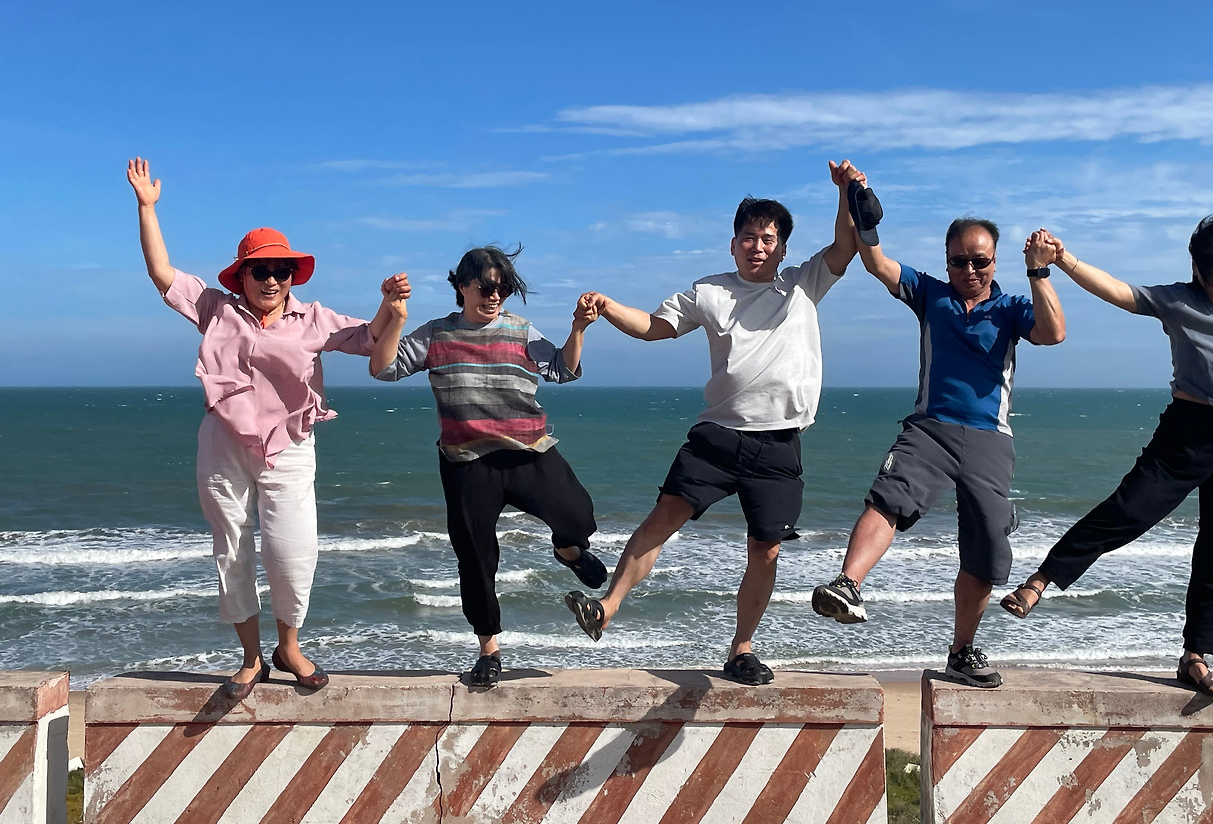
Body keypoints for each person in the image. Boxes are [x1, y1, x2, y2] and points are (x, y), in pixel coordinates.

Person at [564, 160, 867, 685]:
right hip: (718, 436)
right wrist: (609, 307)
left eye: (768, 239)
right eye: (748, 237)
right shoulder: (710, 292)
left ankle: (741, 648)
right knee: (663, 517)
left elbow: (846, 245)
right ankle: (607, 607)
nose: (757, 246)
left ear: (783, 248)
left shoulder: (803, 284)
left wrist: (845, 193)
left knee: (766, 549)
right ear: (732, 244)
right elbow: (655, 327)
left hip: (779, 444)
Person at [129, 157, 410, 700]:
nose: (273, 279)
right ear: (242, 275)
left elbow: (370, 338)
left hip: (291, 444)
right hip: (223, 443)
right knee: (231, 547)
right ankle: (251, 658)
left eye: (282, 270)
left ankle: (290, 647)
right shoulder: (216, 308)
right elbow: (161, 272)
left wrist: (388, 306)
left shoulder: (315, 318)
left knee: (291, 550)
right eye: (261, 271)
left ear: (292, 276)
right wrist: (147, 208)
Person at [1001, 218, 1213, 697]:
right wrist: (1060, 260)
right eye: (1211, 257)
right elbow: (1117, 291)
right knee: (1128, 510)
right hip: (1189, 433)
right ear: (1196, 262)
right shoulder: (1178, 301)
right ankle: (1042, 579)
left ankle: (1195, 656)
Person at [810, 168, 1066, 688]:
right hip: (930, 429)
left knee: (985, 548)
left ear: (995, 261)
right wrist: (857, 202)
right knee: (889, 497)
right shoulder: (931, 294)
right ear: (946, 260)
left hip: (990, 440)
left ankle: (962, 651)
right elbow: (876, 262)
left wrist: (1039, 272)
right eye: (959, 261)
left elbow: (1054, 332)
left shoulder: (1012, 307)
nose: (969, 270)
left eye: (980, 261)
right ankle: (847, 584)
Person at [370, 246, 607, 687]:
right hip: (466, 463)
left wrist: (578, 328)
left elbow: (562, 369)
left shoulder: (520, 330)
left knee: (578, 516)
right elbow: (383, 368)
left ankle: (569, 552)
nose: (495, 296)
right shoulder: (437, 333)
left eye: (503, 289)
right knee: (476, 559)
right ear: (462, 286)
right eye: (486, 287)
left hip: (527, 452)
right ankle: (489, 649)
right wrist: (397, 318)